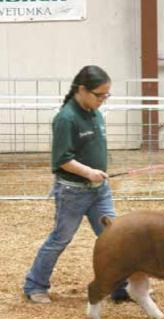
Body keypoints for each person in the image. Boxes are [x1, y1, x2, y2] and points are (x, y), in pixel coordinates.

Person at [23, 65, 129, 304]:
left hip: (99, 191)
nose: (103, 99)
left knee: (114, 236)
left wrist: (97, 174)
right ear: (82, 90)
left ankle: (121, 287)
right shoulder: (66, 118)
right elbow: (61, 160)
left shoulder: (96, 112)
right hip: (72, 192)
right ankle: (35, 285)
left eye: (106, 95)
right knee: (60, 238)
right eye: (99, 94)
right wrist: (89, 172)